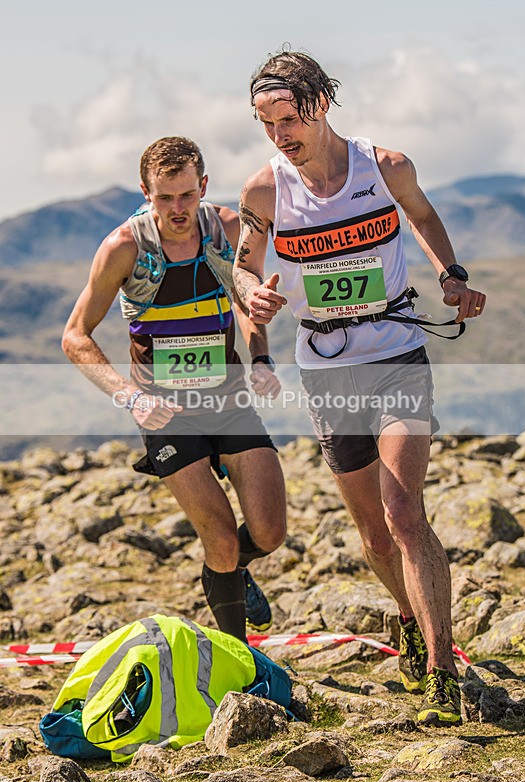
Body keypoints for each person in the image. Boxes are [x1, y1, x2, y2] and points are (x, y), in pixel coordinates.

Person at [232, 50, 486, 726]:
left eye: (289, 119)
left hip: (398, 349)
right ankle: (406, 614)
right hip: (327, 371)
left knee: (404, 512)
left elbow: (425, 219)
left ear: (319, 104)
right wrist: (252, 298)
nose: (281, 135)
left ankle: (440, 671)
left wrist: (451, 274)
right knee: (373, 534)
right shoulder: (264, 190)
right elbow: (241, 266)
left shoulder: (387, 166)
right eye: (267, 124)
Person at [62, 136, 287, 643]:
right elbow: (75, 337)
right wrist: (131, 396)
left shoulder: (228, 229)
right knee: (223, 539)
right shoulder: (124, 247)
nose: (178, 209)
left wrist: (262, 359)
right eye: (165, 199)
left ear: (203, 186)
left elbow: (248, 301)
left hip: (228, 403)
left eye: (187, 195)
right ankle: (238, 662)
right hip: (166, 415)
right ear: (146, 193)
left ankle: (224, 573)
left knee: (270, 532)